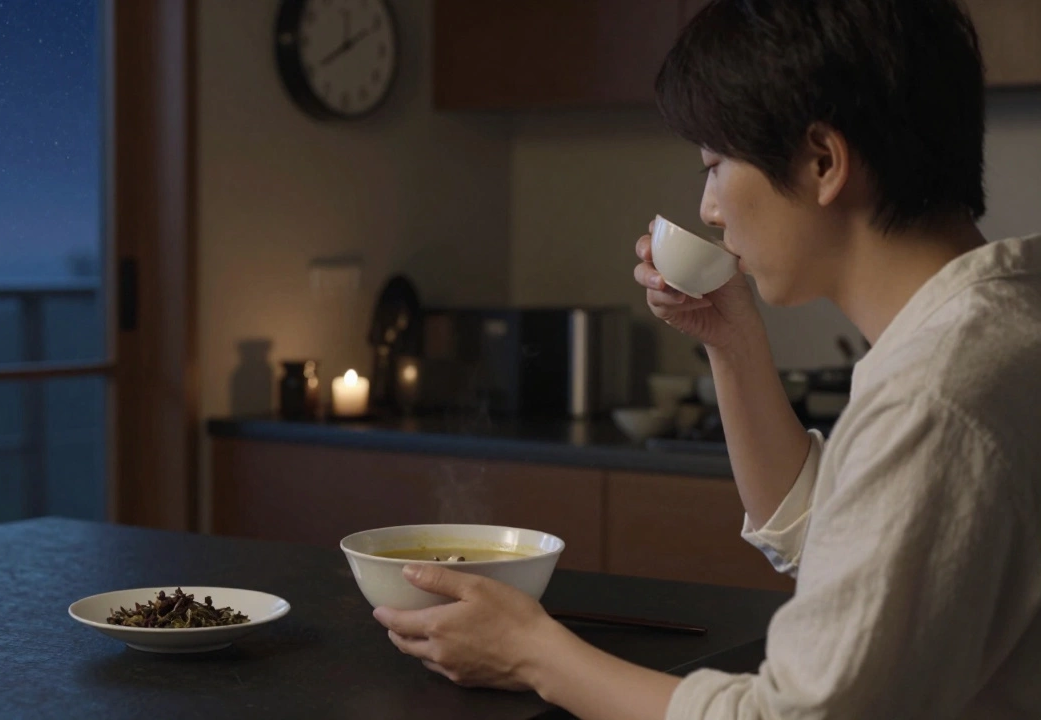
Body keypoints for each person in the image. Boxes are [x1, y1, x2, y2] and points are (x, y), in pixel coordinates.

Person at [371, 0, 1041, 717]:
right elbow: (840, 540)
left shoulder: (937, 396)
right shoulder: (997, 323)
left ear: (822, 161)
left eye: (716, 166)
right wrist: (731, 341)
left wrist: (534, 651)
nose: (710, 208)